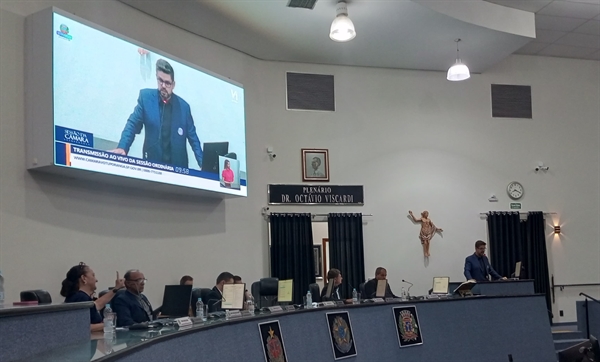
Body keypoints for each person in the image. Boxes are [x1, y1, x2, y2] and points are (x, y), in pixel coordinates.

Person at [110, 59, 203, 169]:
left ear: (173, 85)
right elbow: (132, 125)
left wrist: (203, 165)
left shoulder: (184, 108)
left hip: (178, 170)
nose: (163, 86)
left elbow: (194, 140)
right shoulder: (146, 98)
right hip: (152, 167)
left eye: (167, 83)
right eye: (160, 81)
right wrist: (123, 147)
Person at [61, 262, 125, 332]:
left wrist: (116, 288)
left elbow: (97, 304)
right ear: (84, 278)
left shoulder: (79, 296)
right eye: (93, 275)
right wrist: (107, 324)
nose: (96, 280)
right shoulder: (80, 298)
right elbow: (82, 327)